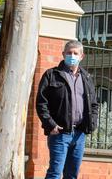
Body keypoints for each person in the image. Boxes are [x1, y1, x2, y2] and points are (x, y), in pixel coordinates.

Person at [36, 40, 99, 179]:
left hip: (79, 134)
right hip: (59, 133)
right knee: (55, 173)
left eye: (75, 53)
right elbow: (41, 103)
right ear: (63, 54)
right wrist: (50, 124)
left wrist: (91, 123)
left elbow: (94, 104)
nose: (72, 55)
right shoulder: (51, 74)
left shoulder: (87, 78)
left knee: (72, 175)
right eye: (69, 53)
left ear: (81, 56)